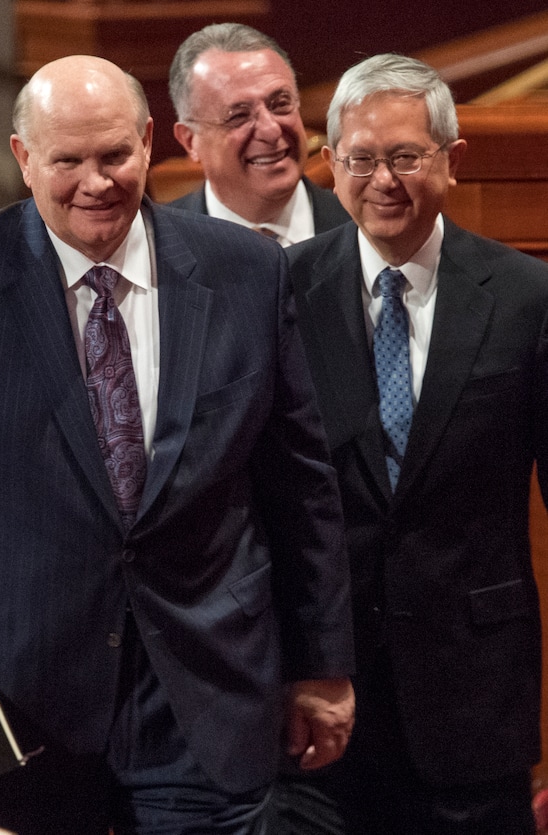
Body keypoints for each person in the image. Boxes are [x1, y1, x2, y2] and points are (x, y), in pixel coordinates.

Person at [0, 55, 356, 835]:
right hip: (11, 702)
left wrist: (322, 662)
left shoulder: (249, 273)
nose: (97, 182)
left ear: (151, 141)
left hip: (207, 698)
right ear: (23, 159)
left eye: (115, 155)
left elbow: (299, 483)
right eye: (68, 161)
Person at [271, 52, 548, 835]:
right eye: (361, 158)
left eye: (404, 157)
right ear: (330, 165)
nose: (383, 179)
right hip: (319, 700)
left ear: (451, 162)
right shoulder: (282, 292)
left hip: (475, 706)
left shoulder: (527, 299)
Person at [167, 23, 349, 244]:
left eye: (280, 104)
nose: (271, 130)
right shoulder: (158, 245)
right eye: (239, 116)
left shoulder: (362, 229)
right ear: (190, 141)